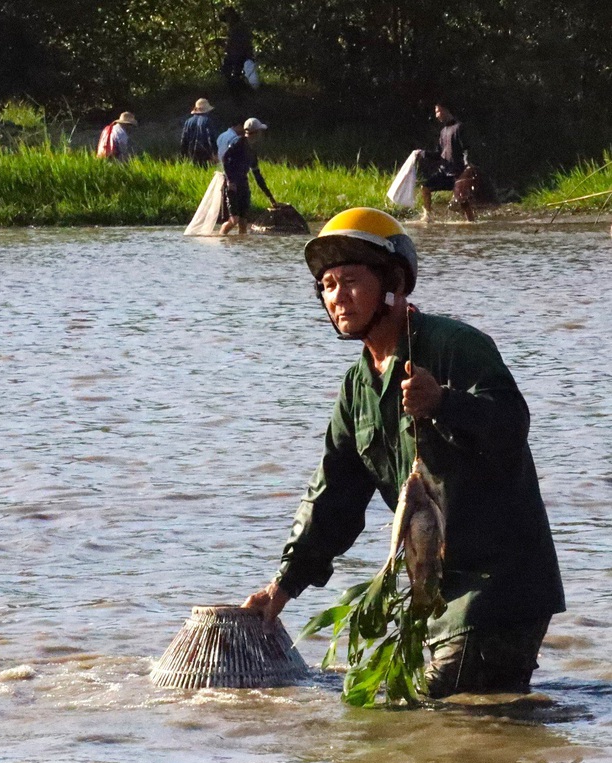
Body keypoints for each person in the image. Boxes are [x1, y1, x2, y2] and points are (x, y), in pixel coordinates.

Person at [242, 207, 565, 699]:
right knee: (404, 705)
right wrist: (282, 587)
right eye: (327, 286)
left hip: (499, 587)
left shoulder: (455, 347)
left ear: (393, 283)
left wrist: (444, 403)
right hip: (431, 589)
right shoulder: (357, 388)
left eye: (349, 280)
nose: (336, 297)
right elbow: (332, 497)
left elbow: (511, 425)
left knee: (419, 709)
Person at [217, 117, 280, 235]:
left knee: (243, 221)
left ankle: (241, 247)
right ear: (255, 132)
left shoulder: (251, 150)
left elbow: (257, 175)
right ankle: (221, 239)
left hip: (243, 184)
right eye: (260, 131)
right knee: (233, 219)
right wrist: (230, 181)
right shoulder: (238, 142)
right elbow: (225, 159)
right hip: (233, 185)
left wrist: (270, 197)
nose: (262, 134)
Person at [419, 103, 474, 222]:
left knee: (463, 202)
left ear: (446, 110)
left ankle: (472, 223)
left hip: (458, 172)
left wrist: (467, 166)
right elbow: (439, 154)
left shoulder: (459, 127)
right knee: (425, 188)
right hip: (444, 172)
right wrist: (422, 153)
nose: (436, 115)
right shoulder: (443, 131)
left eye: (438, 112)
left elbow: (466, 149)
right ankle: (427, 217)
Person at [219, 7, 255, 95]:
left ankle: (240, 92)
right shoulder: (233, 27)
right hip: (235, 55)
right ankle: (239, 90)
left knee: (235, 74)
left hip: (240, 55)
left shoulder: (238, 27)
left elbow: (237, 43)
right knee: (227, 72)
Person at [180, 98, 219, 165]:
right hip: (206, 155)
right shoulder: (207, 121)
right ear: (207, 110)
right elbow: (211, 138)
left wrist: (183, 155)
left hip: (191, 154)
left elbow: (184, 140)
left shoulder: (188, 122)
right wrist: (215, 154)